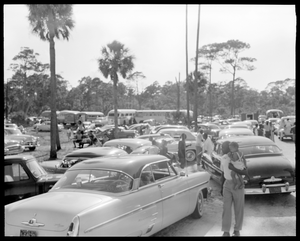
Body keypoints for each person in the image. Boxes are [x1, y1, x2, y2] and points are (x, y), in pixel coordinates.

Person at [220, 141, 248, 237]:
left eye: (223, 147)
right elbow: (222, 174)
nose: (221, 149)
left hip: (238, 184)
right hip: (227, 184)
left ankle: (237, 230)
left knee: (238, 208)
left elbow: (245, 171)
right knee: (226, 209)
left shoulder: (240, 157)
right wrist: (221, 187)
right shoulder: (223, 158)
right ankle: (226, 231)